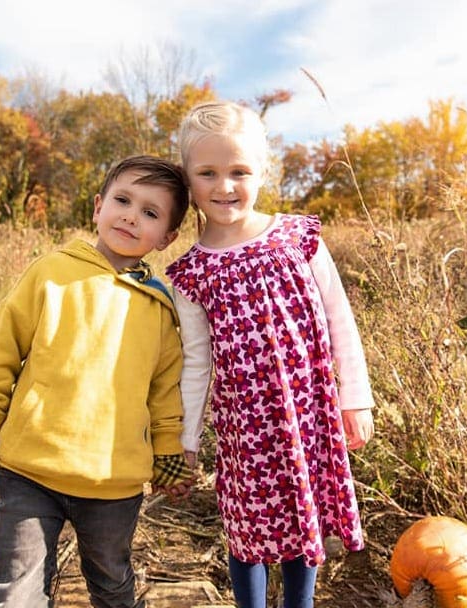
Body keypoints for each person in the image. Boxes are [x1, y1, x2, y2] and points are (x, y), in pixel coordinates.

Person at [0, 155, 194, 608]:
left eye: (150, 212)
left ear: (167, 237)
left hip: (112, 482)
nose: (130, 215)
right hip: (31, 469)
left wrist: (167, 453)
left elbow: (165, 394)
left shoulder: (159, 307)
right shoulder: (51, 274)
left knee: (111, 585)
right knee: (13, 591)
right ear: (98, 207)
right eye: (122, 200)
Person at [165, 101, 375, 608]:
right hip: (246, 427)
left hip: (307, 410)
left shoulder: (296, 238)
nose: (225, 186)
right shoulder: (193, 272)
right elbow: (197, 362)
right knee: (249, 524)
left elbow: (338, 320)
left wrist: (356, 399)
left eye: (239, 171)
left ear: (262, 171)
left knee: (303, 511)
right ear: (188, 181)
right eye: (208, 173)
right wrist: (185, 438)